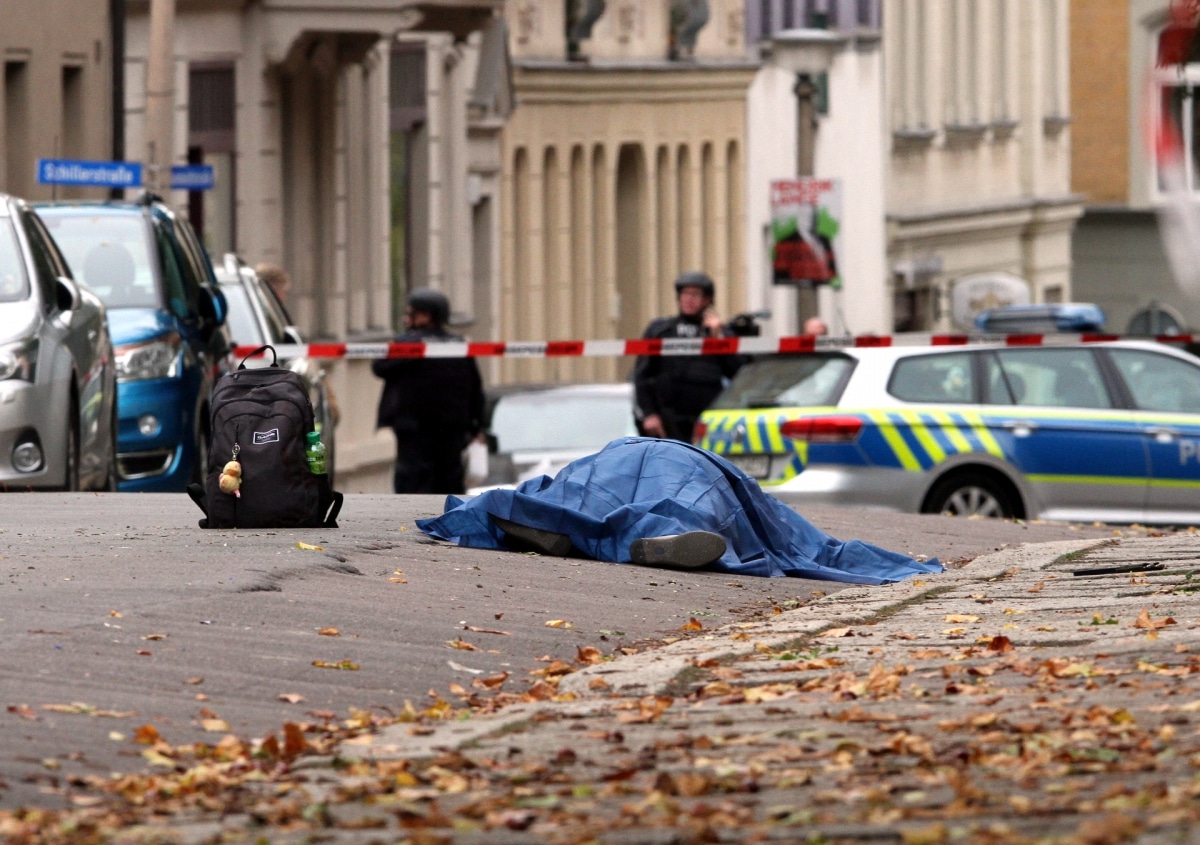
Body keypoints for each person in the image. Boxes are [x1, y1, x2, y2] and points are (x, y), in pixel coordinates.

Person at [417, 437, 943, 584]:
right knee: (786, 532)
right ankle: (653, 536)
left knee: (593, 508)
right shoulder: (596, 462)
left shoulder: (573, 477)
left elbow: (539, 492)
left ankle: (589, 534)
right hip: (709, 469)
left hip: (644, 472)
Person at [373, 288, 485, 494]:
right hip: (453, 430)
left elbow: (380, 366)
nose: (406, 319)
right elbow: (475, 388)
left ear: (425, 315)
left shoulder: (410, 344)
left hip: (414, 430)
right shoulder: (457, 345)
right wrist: (478, 425)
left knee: (413, 484)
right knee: (450, 482)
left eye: (410, 314)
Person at [633, 271, 743, 442]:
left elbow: (739, 375)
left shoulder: (721, 333)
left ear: (707, 300)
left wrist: (718, 339)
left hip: (708, 423)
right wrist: (649, 414)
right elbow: (642, 375)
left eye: (695, 294)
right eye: (685, 293)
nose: (689, 299)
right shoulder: (661, 331)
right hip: (667, 422)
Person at [255, 262, 341, 428]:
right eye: (283, 292)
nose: (284, 298)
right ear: (273, 288)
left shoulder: (272, 316)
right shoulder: (267, 316)